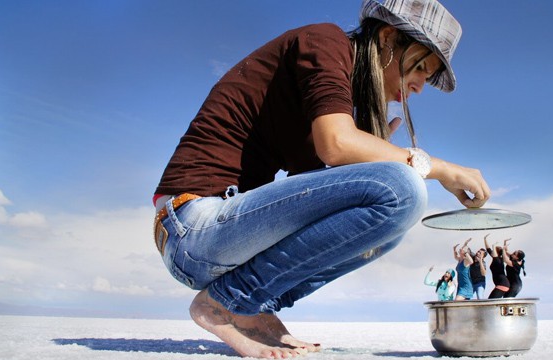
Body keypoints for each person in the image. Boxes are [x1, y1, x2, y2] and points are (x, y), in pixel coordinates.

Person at [152, 0, 490, 358]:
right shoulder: (326, 42)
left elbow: (318, 204)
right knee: (402, 188)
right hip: (191, 224)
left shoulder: (333, 102)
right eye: (420, 66)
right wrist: (437, 168)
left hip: (223, 241)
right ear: (388, 37)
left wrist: (373, 154)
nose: (421, 86)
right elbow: (337, 144)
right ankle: (227, 303)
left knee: (388, 229)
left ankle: (253, 306)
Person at [484, 234, 510, 299]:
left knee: (490, 301)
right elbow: (488, 249)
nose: (492, 251)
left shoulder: (497, 260)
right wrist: (485, 239)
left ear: (497, 253)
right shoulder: (496, 259)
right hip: (502, 284)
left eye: (494, 250)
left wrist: (494, 245)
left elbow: (492, 251)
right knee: (493, 301)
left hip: (502, 284)